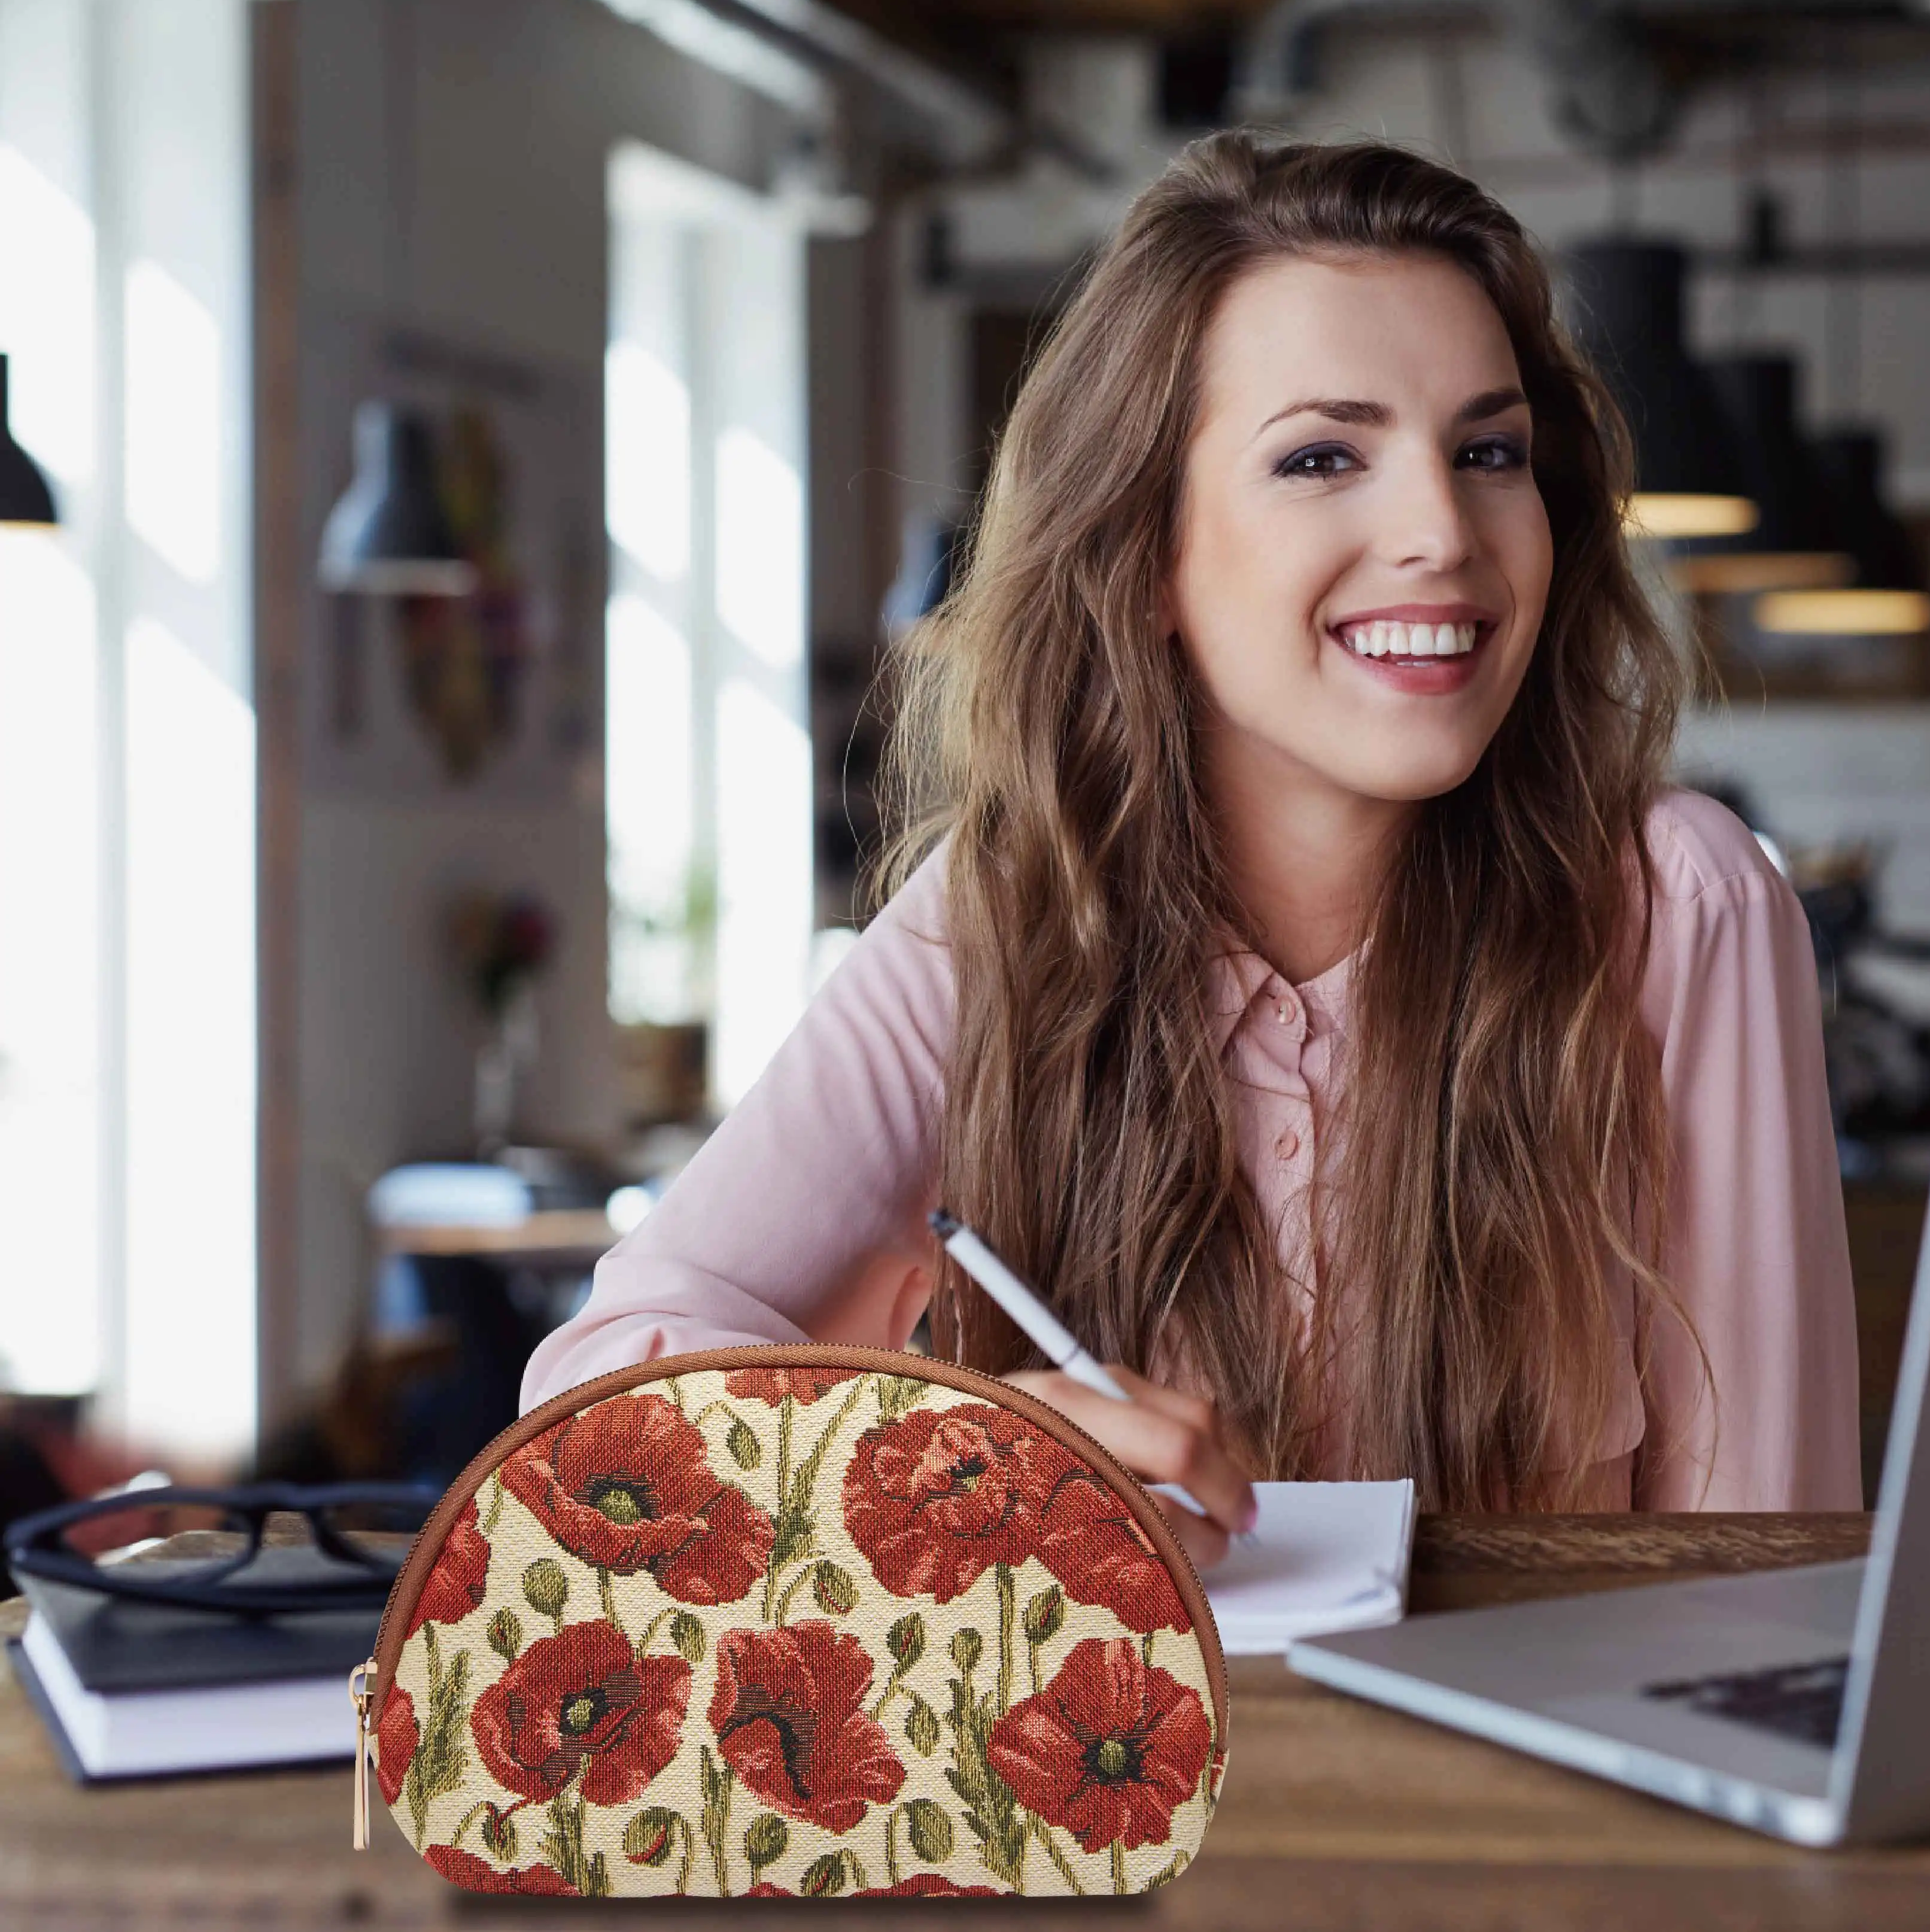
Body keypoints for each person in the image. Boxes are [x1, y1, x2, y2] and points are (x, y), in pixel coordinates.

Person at [524, 134, 1861, 1563]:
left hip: (1532, 1791)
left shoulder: (1677, 904)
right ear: (1146, 555)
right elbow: (592, 1416)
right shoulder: (996, 921)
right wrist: (950, 1458)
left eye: (1487, 451)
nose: (1442, 530)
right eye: (1320, 456)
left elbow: (1762, 1578)